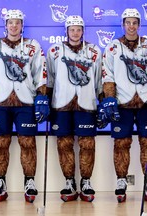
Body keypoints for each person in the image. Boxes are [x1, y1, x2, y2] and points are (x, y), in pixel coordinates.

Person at [0, 9, 49, 203]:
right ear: (5, 25)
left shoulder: (33, 46)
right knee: (0, 143)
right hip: (0, 102)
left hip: (26, 102)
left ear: (22, 25)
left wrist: (42, 98)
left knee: (28, 143)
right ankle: (0, 182)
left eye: (17, 23)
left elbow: (40, 73)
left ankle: (30, 181)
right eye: (11, 22)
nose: (14, 26)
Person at [46, 15, 102, 202]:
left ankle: (86, 182)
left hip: (86, 105)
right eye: (72, 29)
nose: (75, 32)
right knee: (64, 145)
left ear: (83, 31)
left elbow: (99, 81)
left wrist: (103, 102)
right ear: (66, 31)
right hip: (61, 106)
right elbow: (50, 80)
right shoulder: (54, 50)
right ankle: (69, 182)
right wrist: (45, 101)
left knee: (87, 144)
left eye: (78, 29)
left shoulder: (94, 51)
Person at [99, 8, 147, 203]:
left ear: (139, 24)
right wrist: (109, 98)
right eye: (128, 22)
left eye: (135, 22)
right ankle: (121, 181)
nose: (131, 26)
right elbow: (107, 75)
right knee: (121, 144)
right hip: (123, 103)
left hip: (145, 102)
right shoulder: (112, 47)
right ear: (122, 24)